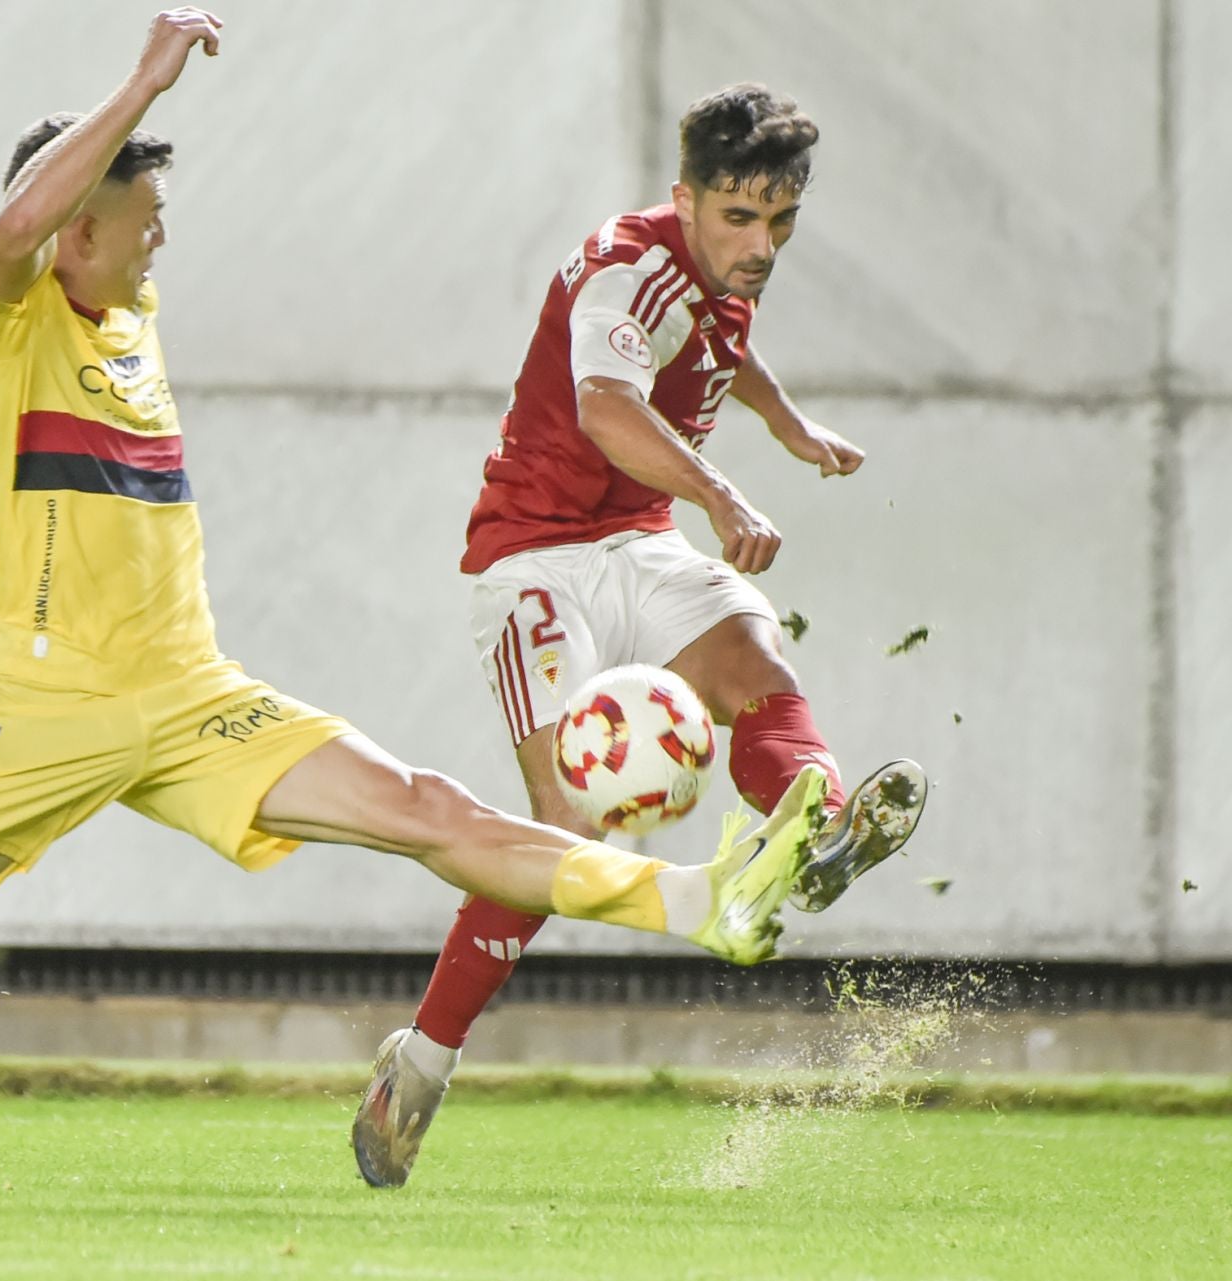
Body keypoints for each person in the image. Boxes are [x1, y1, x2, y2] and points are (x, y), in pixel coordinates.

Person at [0, 14, 829, 1196]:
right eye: (143, 215)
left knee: (431, 810)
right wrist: (140, 89)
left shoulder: (131, 319)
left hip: (193, 699)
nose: (161, 233)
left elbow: (86, 228)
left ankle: (703, 898)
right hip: (40, 705)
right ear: (80, 222)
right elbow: (16, 226)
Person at [351, 83, 929, 1190]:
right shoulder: (631, 262)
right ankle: (420, 1062)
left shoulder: (721, 276)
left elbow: (721, 345)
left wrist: (789, 424)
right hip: (533, 558)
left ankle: (815, 832)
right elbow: (610, 402)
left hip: (638, 542)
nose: (759, 247)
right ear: (686, 198)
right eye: (737, 219)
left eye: (780, 222)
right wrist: (725, 494)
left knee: (756, 663)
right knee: (562, 826)